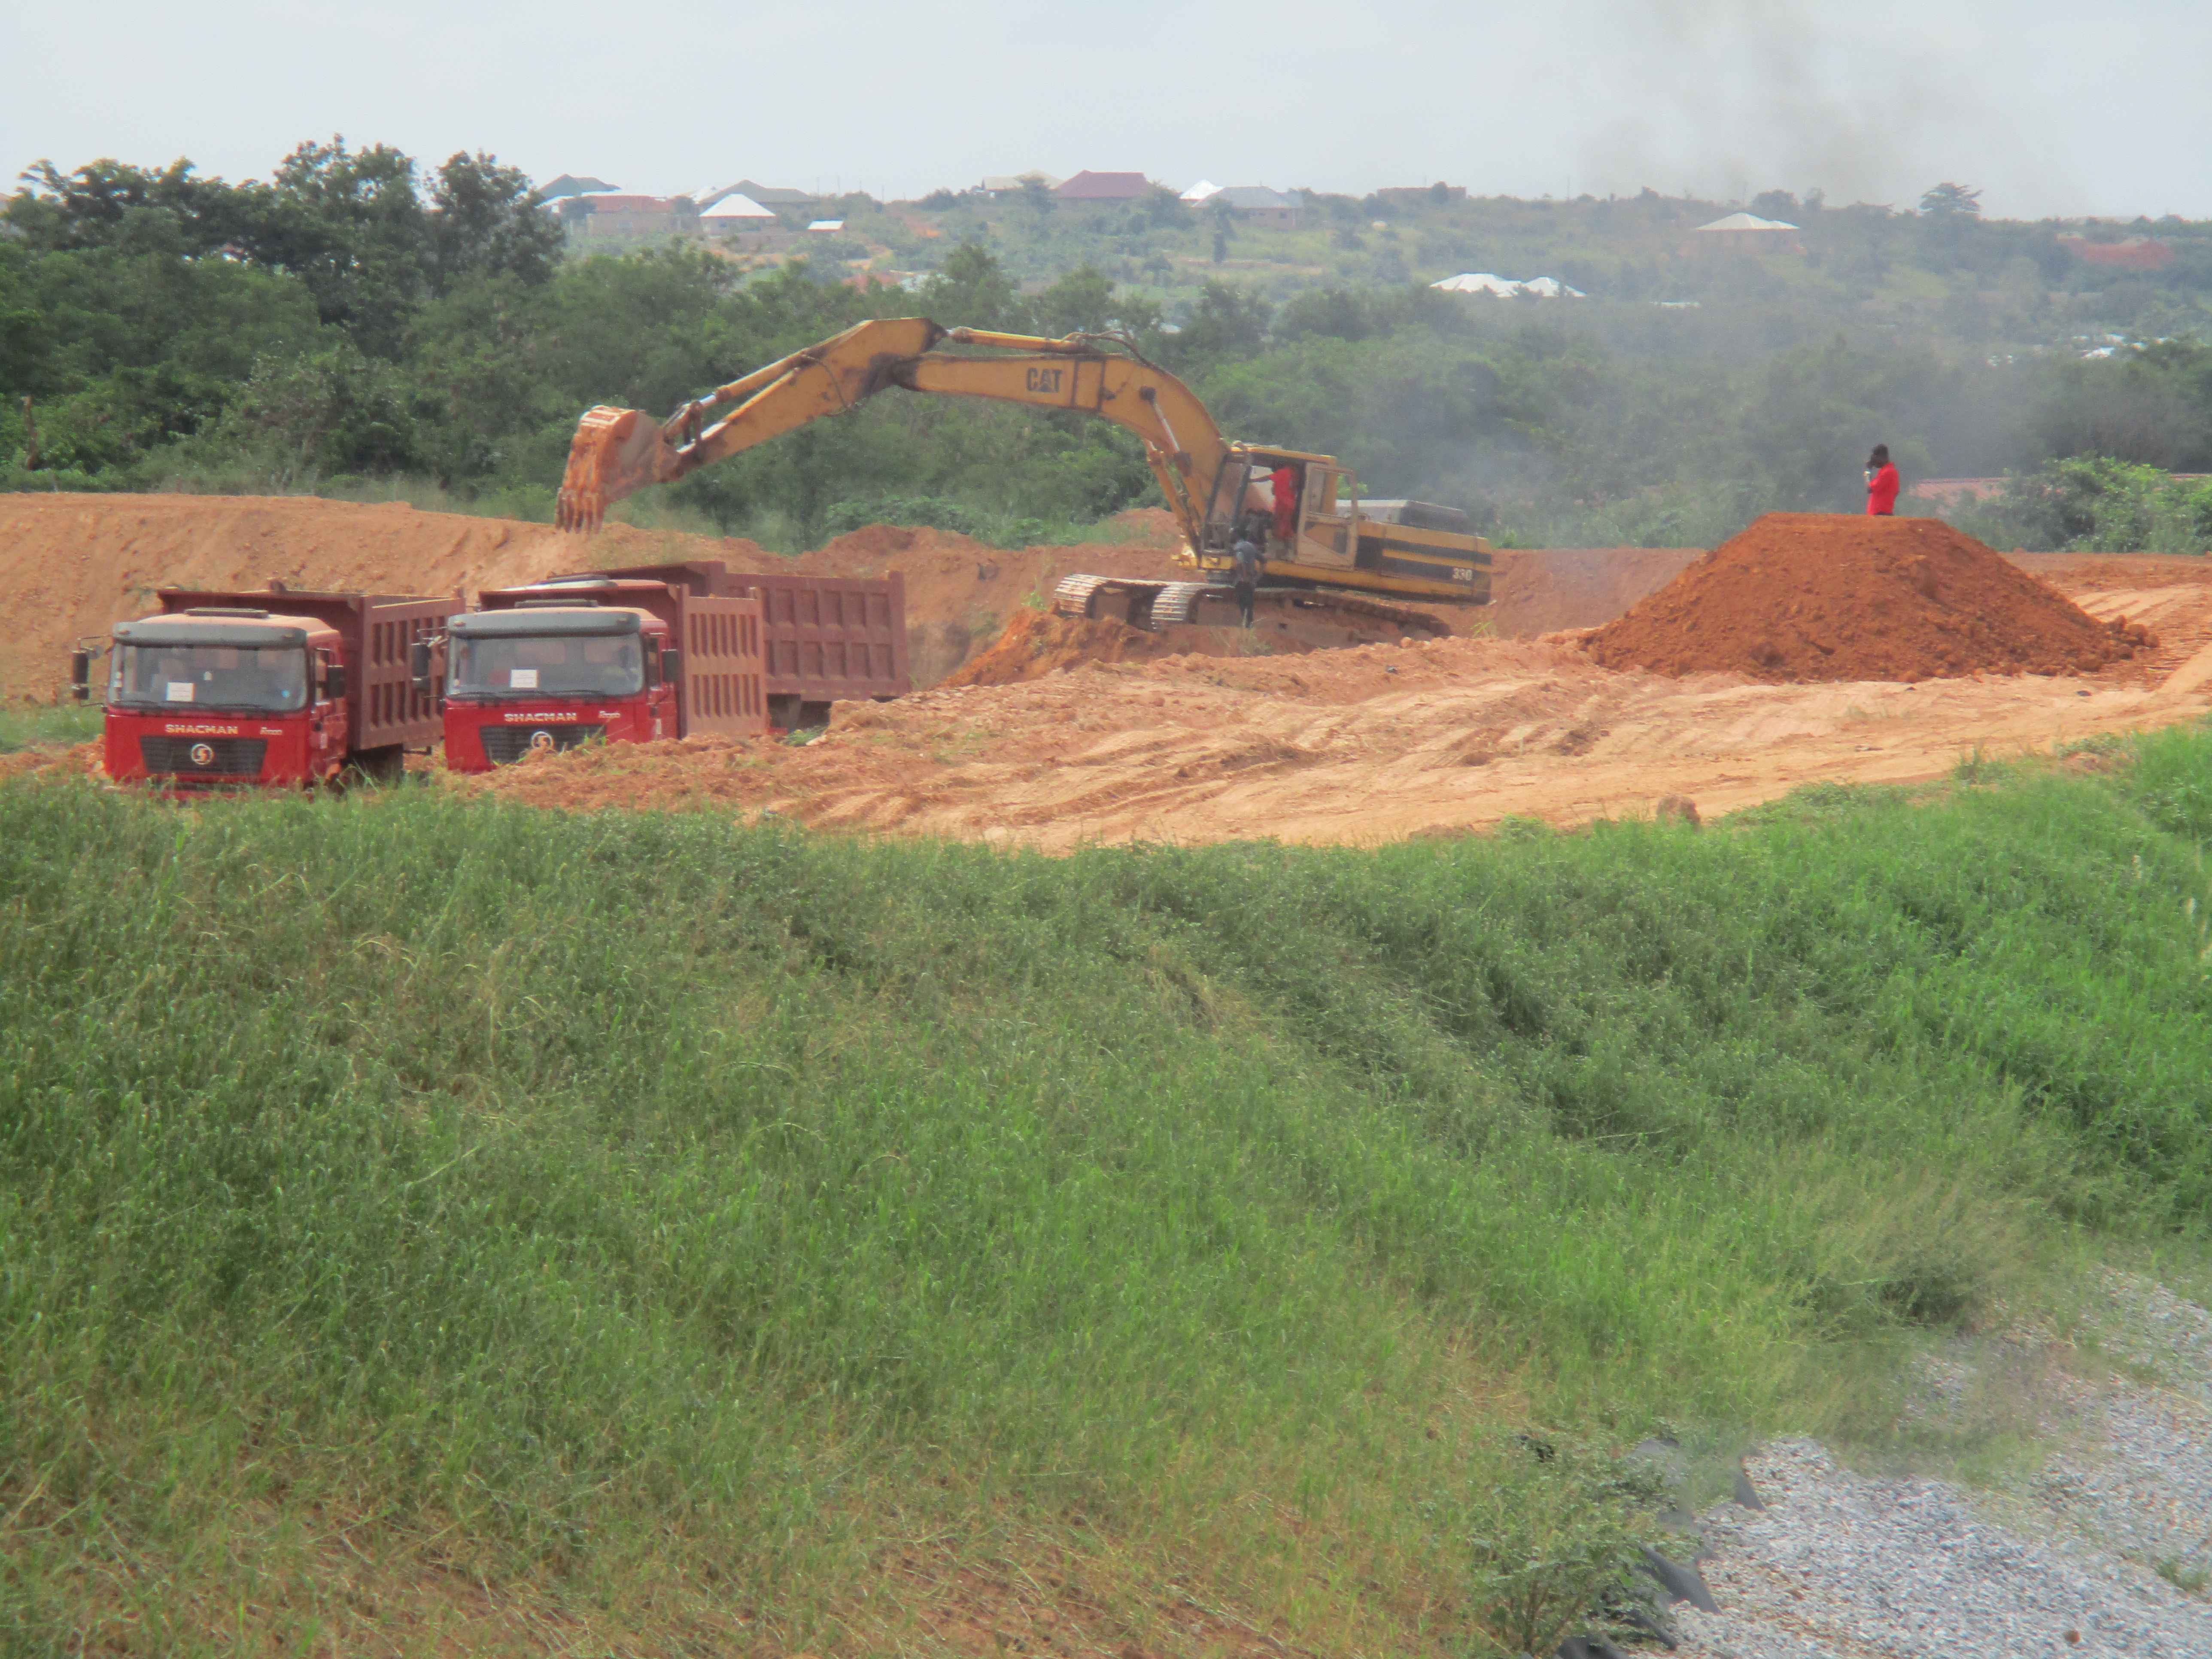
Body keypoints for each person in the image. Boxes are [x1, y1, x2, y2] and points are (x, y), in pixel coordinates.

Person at [1231, 525, 1263, 629]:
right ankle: (1250, 625)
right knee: (1249, 604)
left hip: (1242, 581)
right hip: (1252, 580)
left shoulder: (1238, 547)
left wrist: (1244, 577)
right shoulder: (1251, 546)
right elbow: (1264, 561)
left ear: (1236, 536)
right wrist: (1259, 576)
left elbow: (1241, 562)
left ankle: (1246, 626)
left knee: (1242, 603)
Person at [1270, 462, 1301, 547]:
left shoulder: (1284, 473)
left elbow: (1268, 479)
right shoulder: (1293, 475)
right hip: (1288, 505)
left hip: (1284, 505)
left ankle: (1279, 545)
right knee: (1284, 524)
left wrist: (1252, 480)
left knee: (1281, 524)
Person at [1866, 444, 1900, 517]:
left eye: (1875, 457)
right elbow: (1897, 492)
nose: (1874, 461)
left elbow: (1869, 489)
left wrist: (1868, 470)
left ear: (1881, 457)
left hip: (1880, 513)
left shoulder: (1887, 472)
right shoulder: (1891, 471)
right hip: (1885, 512)